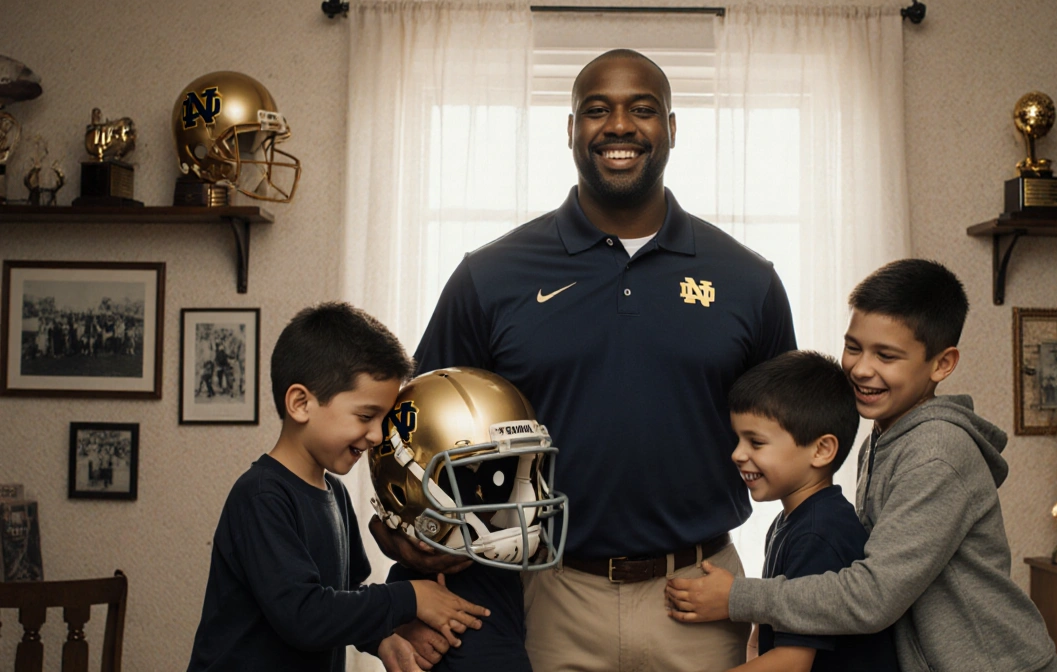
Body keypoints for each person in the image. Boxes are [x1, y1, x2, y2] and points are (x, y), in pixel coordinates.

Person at [371, 48, 796, 671]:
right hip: (549, 590)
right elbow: (410, 430)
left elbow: (793, 451)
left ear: (671, 129)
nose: (619, 126)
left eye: (642, 109)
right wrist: (404, 571)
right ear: (571, 130)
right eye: (596, 110)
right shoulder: (490, 276)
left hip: (699, 593)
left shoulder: (748, 280)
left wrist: (785, 606)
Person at [665, 259, 1057, 672]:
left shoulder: (937, 452)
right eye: (853, 347)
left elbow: (874, 596)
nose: (860, 368)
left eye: (886, 355)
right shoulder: (885, 435)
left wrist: (738, 598)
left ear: (942, 364)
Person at [186, 302, 490, 672]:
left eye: (383, 420)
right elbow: (305, 615)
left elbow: (341, 602)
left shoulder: (336, 495)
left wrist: (383, 641)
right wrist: (410, 596)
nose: (378, 435)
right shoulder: (261, 497)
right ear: (301, 404)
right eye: (366, 416)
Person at [724, 350, 899, 672]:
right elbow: (762, 635)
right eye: (737, 439)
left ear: (821, 450)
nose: (737, 454)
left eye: (756, 442)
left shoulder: (819, 532)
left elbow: (791, 663)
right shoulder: (790, 521)